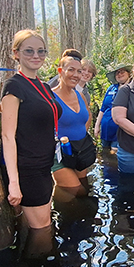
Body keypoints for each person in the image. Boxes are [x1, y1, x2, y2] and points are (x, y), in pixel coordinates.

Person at [1, 29, 61, 230]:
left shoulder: (43, 86)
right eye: (29, 51)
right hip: (28, 169)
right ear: (16, 53)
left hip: (45, 166)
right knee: (42, 228)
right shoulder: (14, 86)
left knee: (44, 223)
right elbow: (8, 136)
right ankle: (38, 261)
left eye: (41, 51)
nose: (36, 56)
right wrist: (14, 183)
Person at [51, 55, 96, 198]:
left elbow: (88, 115)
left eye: (79, 71)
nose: (76, 75)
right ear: (60, 71)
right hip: (60, 154)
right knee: (77, 191)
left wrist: (84, 135)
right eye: (71, 70)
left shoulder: (80, 95)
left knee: (84, 187)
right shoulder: (50, 97)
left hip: (80, 151)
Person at [94, 63, 132, 153]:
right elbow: (103, 108)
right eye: (117, 72)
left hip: (120, 131)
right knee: (106, 156)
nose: (120, 74)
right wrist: (96, 125)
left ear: (129, 74)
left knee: (115, 156)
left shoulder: (132, 89)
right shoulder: (111, 88)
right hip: (106, 130)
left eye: (122, 71)